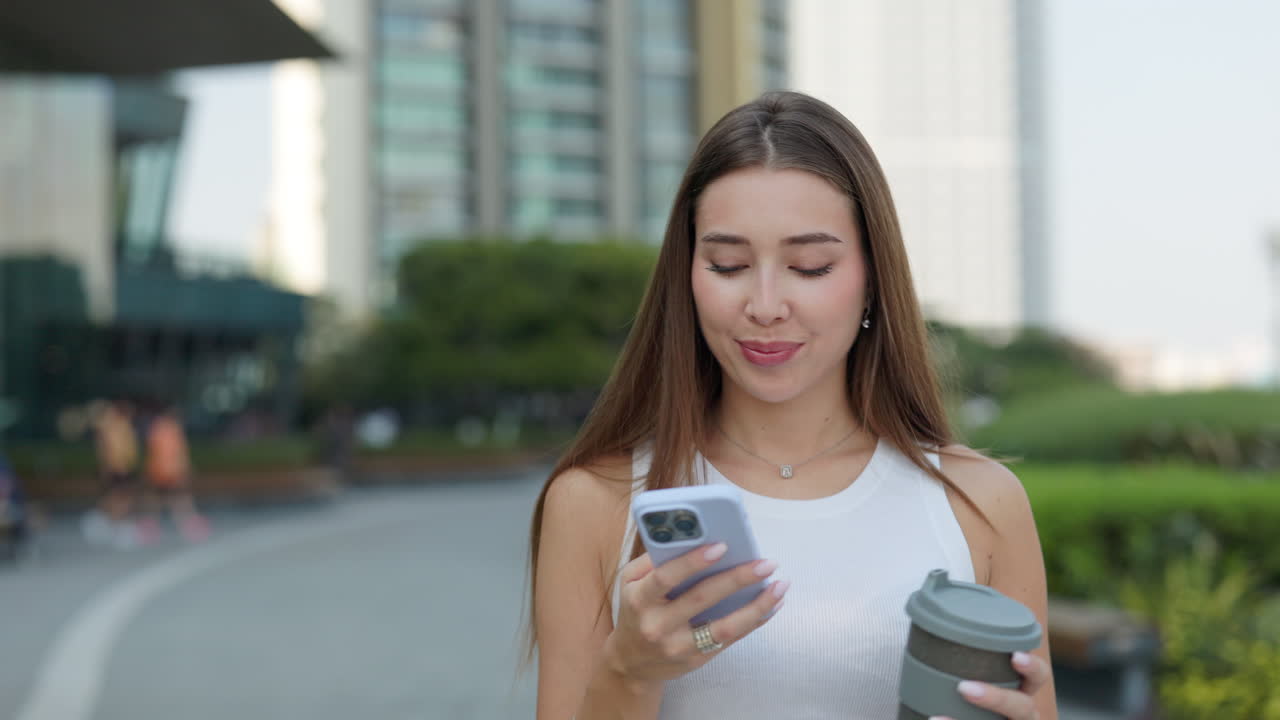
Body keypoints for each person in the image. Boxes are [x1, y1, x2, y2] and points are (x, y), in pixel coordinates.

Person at [527, 91, 1056, 720]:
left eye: (809, 267)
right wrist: (629, 671)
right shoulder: (598, 501)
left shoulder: (980, 503)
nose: (766, 304)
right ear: (688, 276)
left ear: (871, 280)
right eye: (728, 265)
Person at [139, 402, 210, 543]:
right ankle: (188, 524)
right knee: (178, 498)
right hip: (169, 471)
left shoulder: (158, 428)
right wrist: (183, 469)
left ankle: (149, 526)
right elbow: (173, 453)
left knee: (163, 499)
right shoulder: (169, 429)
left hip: (159, 471)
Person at [84, 398, 141, 548]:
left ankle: (109, 524)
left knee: (120, 498)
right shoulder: (110, 426)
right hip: (116, 468)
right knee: (117, 499)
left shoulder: (123, 425)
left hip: (125, 468)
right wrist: (108, 467)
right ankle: (116, 527)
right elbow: (107, 449)